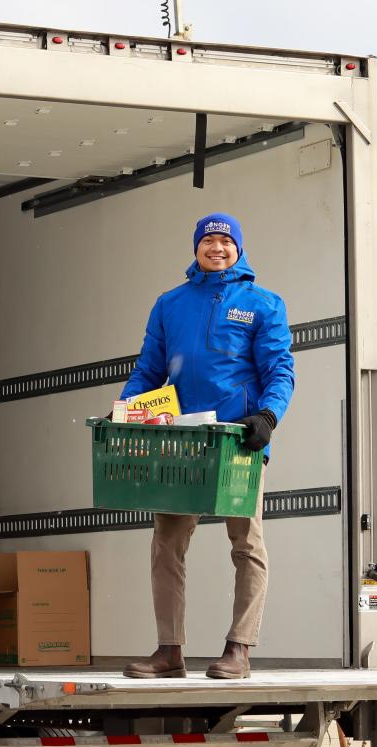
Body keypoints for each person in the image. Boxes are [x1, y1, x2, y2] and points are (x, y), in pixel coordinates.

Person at [118, 213, 294, 680]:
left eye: (225, 240)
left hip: (237, 441)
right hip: (180, 440)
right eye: (209, 240)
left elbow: (280, 369)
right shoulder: (169, 304)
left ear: (239, 248)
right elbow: (149, 369)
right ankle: (169, 651)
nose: (217, 247)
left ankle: (239, 647)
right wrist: (126, 406)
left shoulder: (262, 304)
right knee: (167, 544)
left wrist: (268, 415)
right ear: (196, 247)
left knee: (246, 542)